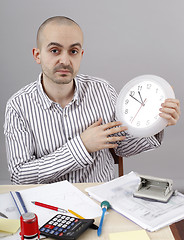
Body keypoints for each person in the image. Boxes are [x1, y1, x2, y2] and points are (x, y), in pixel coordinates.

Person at [4, 16, 180, 184]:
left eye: (73, 51)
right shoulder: (18, 106)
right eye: (54, 50)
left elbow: (121, 148)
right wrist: (82, 146)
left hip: (100, 199)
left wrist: (157, 124)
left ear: (81, 54)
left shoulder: (102, 90)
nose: (65, 60)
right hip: (48, 206)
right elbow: (20, 175)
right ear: (37, 55)